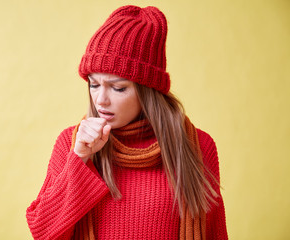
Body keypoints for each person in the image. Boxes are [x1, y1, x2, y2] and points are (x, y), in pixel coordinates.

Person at [26, 5, 228, 240]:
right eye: (94, 84)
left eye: (118, 87)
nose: (101, 100)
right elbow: (43, 232)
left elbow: (215, 234)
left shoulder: (197, 147)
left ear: (147, 90)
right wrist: (79, 160)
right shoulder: (72, 144)